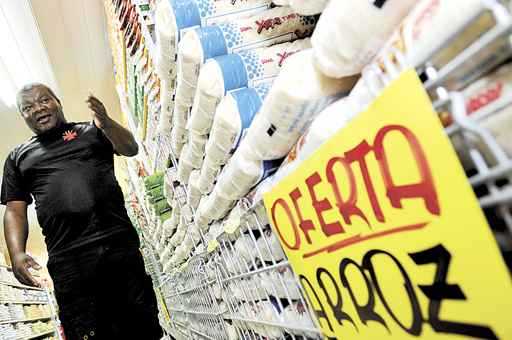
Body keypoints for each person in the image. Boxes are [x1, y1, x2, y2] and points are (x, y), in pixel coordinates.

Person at [1, 83, 164, 340]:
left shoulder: (92, 131)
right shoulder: (18, 157)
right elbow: (14, 210)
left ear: (58, 101)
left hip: (117, 246)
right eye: (27, 107)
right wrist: (16, 253)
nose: (37, 109)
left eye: (44, 100)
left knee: (140, 326)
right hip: (69, 260)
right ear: (23, 116)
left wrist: (106, 122)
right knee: (87, 332)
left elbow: (130, 148)